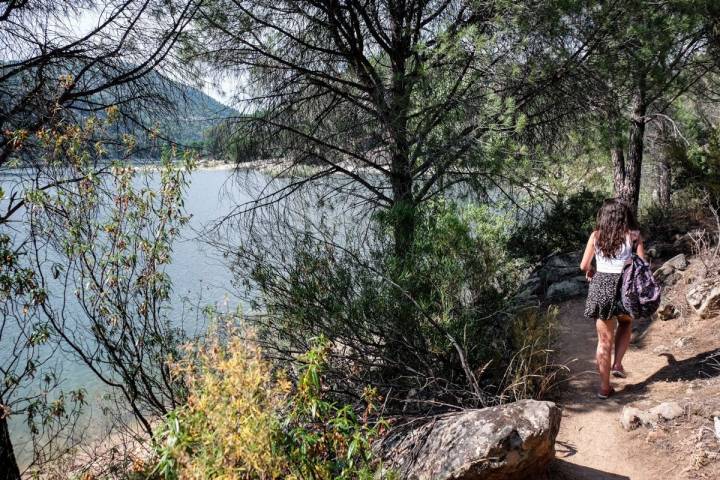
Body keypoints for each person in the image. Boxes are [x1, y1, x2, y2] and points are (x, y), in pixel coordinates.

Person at [580, 198, 645, 399]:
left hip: (601, 288)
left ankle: (604, 388)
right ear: (625, 215)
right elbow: (643, 264)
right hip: (625, 287)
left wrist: (592, 270)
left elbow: (583, 266)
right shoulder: (634, 236)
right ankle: (617, 363)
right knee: (626, 323)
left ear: (604, 215)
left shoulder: (596, 236)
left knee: (603, 341)